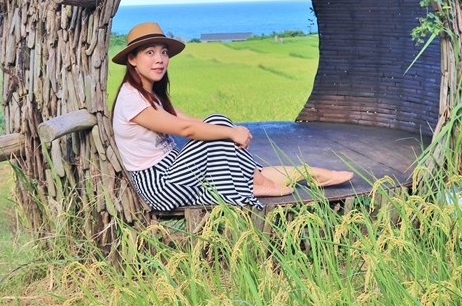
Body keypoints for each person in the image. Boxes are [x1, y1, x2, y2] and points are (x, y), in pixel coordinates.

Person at [111, 22, 353, 211]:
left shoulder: (149, 94)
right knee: (218, 128)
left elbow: (189, 120)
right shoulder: (132, 99)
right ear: (132, 59)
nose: (160, 59)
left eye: (163, 53)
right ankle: (267, 184)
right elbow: (185, 130)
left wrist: (229, 128)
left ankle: (303, 173)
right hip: (160, 186)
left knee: (216, 122)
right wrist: (229, 132)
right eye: (150, 53)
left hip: (172, 171)